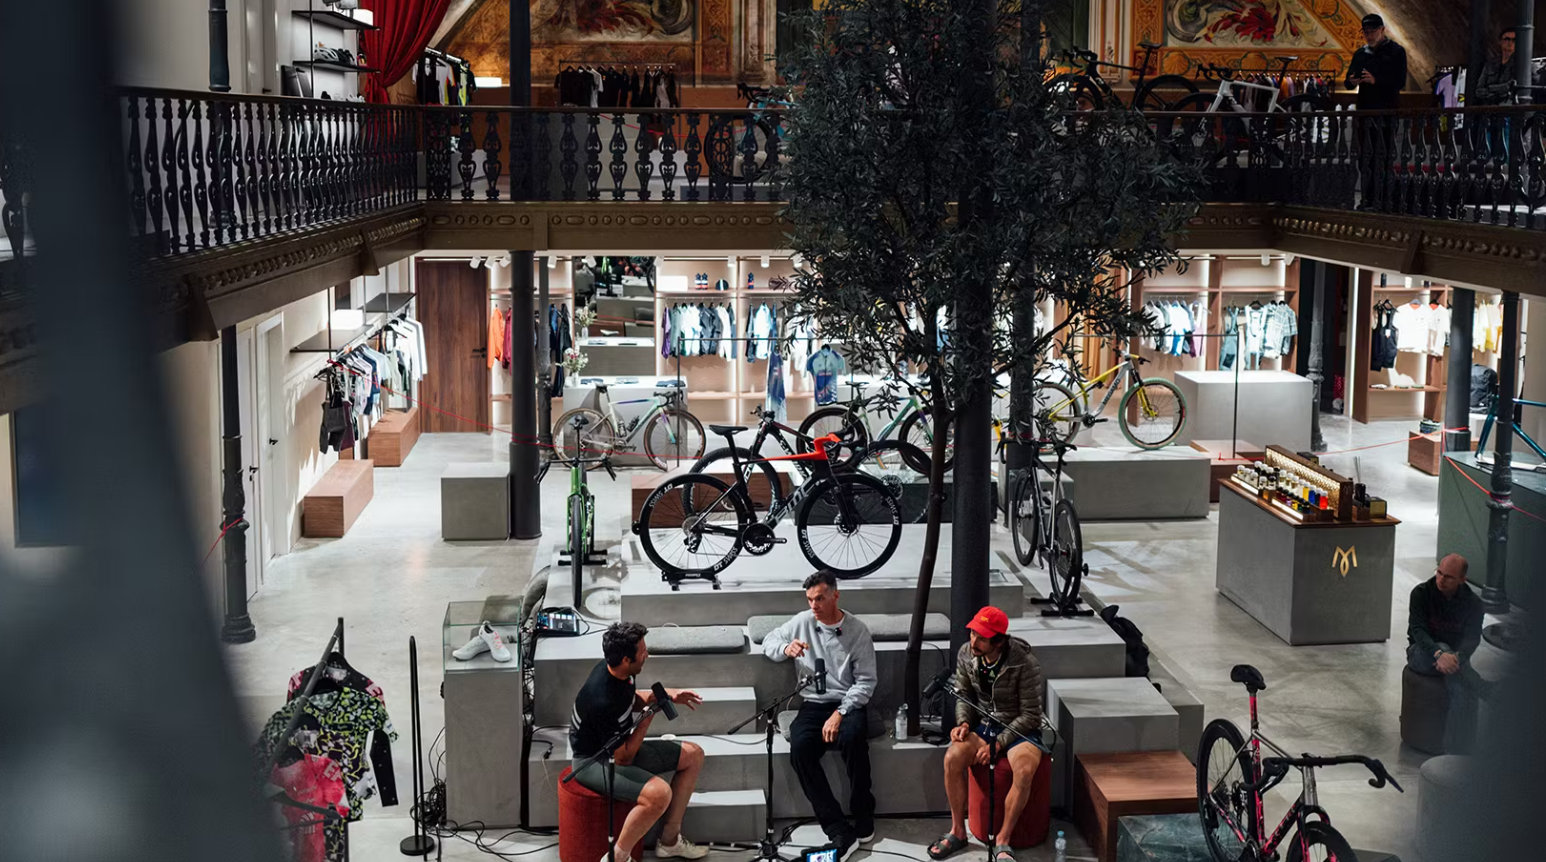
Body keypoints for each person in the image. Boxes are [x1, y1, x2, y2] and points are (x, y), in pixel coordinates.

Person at [569, 622, 709, 862]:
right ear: (625, 659)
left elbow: (631, 699)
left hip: (617, 746)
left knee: (693, 754)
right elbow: (624, 758)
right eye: (642, 652)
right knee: (659, 795)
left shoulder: (620, 672)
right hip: (593, 761)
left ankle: (670, 841)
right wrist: (647, 716)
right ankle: (617, 857)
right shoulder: (600, 698)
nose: (647, 655)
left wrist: (667, 695)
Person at [762, 571, 878, 859]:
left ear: (835, 595)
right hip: (813, 704)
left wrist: (840, 713)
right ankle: (838, 828)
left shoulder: (857, 630)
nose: (814, 605)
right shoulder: (802, 621)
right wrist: (785, 648)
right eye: (810, 599)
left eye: (820, 598)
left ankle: (863, 812)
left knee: (853, 740)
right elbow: (770, 640)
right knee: (800, 749)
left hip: (847, 702)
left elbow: (866, 682)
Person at [928, 607, 1047, 862]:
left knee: (1024, 772)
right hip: (985, 724)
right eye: (973, 633)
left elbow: (1031, 715)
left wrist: (999, 744)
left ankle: (1003, 840)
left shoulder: (1024, 662)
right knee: (952, 758)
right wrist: (963, 723)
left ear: (1000, 641)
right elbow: (963, 694)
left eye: (982, 637)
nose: (974, 641)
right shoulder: (965, 653)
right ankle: (958, 831)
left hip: (1018, 728)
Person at [1407, 554, 1488, 752]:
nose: (1441, 580)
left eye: (1448, 577)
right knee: (1443, 648)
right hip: (1421, 653)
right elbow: (1418, 631)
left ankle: (1455, 752)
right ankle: (1484, 688)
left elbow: (1472, 639)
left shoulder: (1474, 604)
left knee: (1462, 688)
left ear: (1462, 580)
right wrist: (1438, 653)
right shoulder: (1421, 593)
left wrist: (1455, 658)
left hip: (1454, 659)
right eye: (1439, 573)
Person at [1344, 14, 1407, 110]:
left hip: (1388, 110)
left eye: (1373, 32)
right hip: (1364, 110)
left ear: (1382, 30)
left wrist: (1375, 81)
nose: (1369, 36)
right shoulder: (1360, 54)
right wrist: (1352, 81)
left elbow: (1400, 82)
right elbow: (1347, 84)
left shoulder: (1396, 51)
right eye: (1366, 32)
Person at [1474, 27, 1524, 106]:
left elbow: (1511, 86)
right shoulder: (1490, 64)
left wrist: (1490, 88)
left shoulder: (1520, 64)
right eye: (1507, 39)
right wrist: (1497, 91)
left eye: (1514, 40)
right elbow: (1478, 90)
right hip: (1489, 108)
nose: (1510, 42)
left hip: (1508, 108)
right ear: (1500, 41)